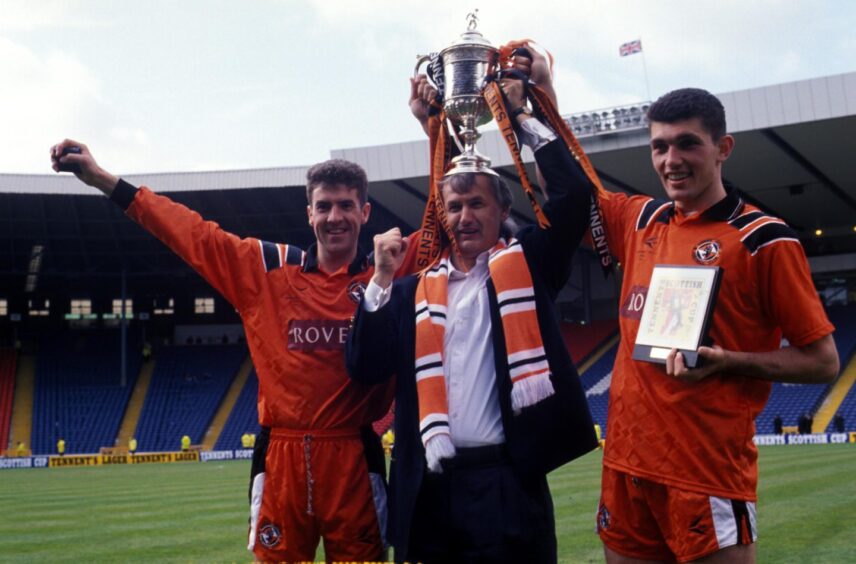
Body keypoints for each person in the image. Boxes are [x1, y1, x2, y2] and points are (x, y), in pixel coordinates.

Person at [517, 51, 839, 563]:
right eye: (660, 147)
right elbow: (570, 182)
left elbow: (823, 360)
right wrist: (542, 92)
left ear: (722, 148)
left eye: (688, 143)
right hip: (625, 466)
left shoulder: (764, 240)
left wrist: (729, 361)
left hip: (704, 472)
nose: (672, 160)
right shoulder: (640, 220)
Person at [50, 142, 419, 562]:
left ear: (365, 213)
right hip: (282, 458)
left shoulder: (390, 267)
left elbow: (454, 217)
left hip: (354, 458)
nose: (334, 217)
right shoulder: (265, 269)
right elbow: (188, 232)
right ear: (309, 213)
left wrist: (433, 126)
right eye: (324, 206)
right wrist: (102, 179)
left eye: (346, 206)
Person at [347, 74, 598, 561]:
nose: (463, 216)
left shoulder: (527, 266)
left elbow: (572, 201)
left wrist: (522, 117)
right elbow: (364, 366)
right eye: (454, 205)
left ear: (502, 209)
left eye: (476, 203)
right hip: (429, 490)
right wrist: (378, 278)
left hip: (506, 482)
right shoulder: (409, 291)